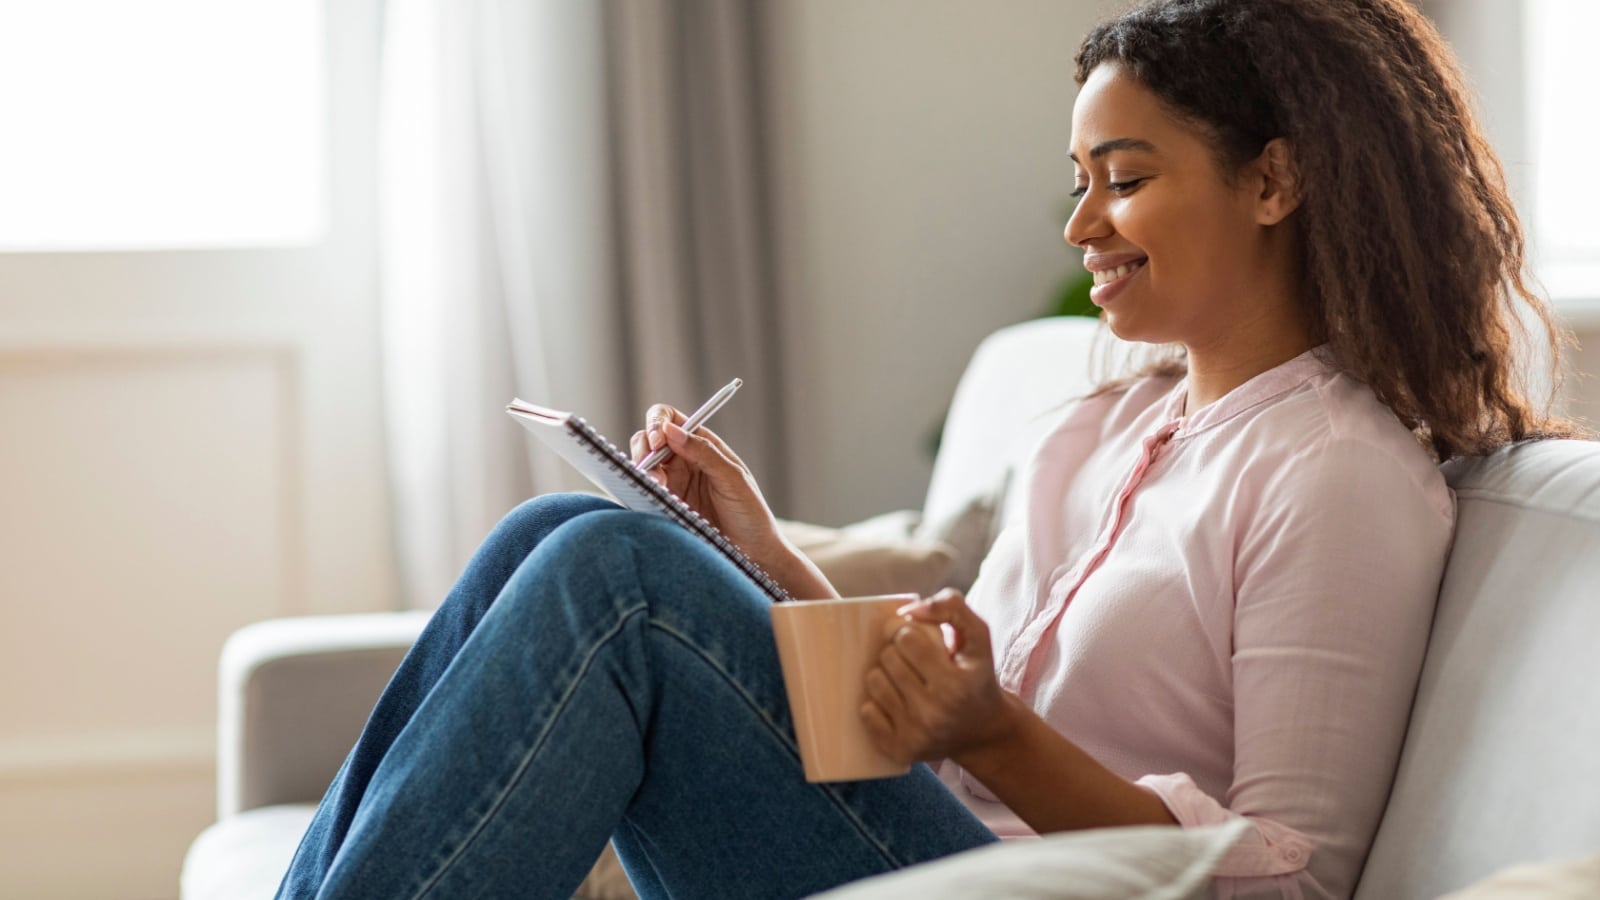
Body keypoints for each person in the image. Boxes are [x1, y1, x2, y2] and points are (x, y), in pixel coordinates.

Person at [275, 0, 1581, 897]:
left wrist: (1003, 734)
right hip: (941, 845)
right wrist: (767, 558)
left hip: (1018, 887)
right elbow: (929, 737)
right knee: (552, 536)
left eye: (1123, 176)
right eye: (1076, 179)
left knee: (612, 578)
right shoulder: (1103, 427)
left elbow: (1289, 876)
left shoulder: (1334, 474)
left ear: (1273, 184)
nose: (1082, 226)